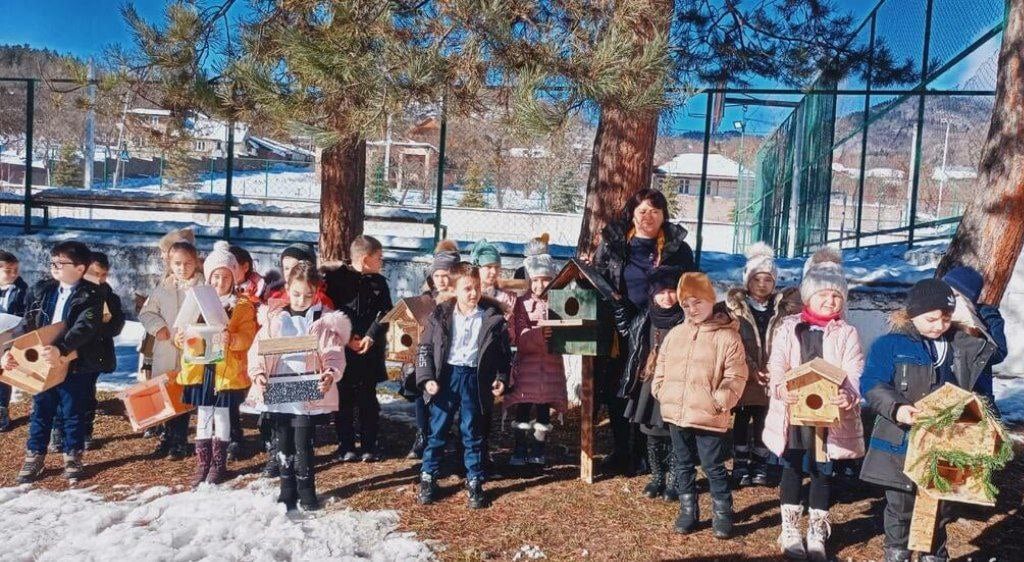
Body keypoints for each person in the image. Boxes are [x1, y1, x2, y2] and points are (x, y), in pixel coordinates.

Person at [860, 278, 998, 562]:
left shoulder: (962, 346)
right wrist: (896, 407)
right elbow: (872, 383)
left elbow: (990, 356)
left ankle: (933, 553)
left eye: (946, 318)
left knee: (942, 502)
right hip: (902, 440)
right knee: (901, 504)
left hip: (948, 441)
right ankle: (896, 552)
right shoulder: (891, 344)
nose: (939, 325)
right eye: (931, 318)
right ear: (912, 314)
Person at [763, 248, 865, 561]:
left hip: (829, 415)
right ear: (809, 296)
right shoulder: (790, 327)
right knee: (792, 465)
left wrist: (848, 395)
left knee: (823, 469)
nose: (830, 301)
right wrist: (780, 388)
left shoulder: (846, 332)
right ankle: (790, 527)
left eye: (836, 296)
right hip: (794, 410)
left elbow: (855, 368)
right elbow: (777, 361)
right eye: (823, 295)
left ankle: (818, 527)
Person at [594, 188, 696, 475]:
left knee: (650, 387)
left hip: (660, 327)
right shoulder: (614, 244)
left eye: (654, 211)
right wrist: (615, 312)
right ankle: (621, 449)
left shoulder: (678, 249)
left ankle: (646, 453)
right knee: (618, 387)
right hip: (621, 328)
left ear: (664, 215)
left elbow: (690, 285)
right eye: (642, 211)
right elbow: (600, 281)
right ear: (632, 214)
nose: (647, 217)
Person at [652, 272, 747, 538]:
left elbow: (736, 375)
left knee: (712, 465)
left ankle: (722, 513)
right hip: (677, 412)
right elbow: (661, 364)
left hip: (709, 414)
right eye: (686, 305)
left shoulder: (727, 337)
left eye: (698, 303)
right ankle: (688, 510)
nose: (692, 310)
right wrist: (661, 389)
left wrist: (721, 400)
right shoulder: (675, 334)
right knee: (681, 463)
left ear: (710, 300)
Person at [249, 262, 350, 510]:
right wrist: (258, 373)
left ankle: (307, 490)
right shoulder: (275, 320)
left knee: (303, 442)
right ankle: (286, 490)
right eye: (296, 294)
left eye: (308, 294)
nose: (302, 299)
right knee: (283, 441)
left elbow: (333, 352)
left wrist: (330, 372)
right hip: (280, 388)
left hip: (308, 389)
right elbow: (258, 351)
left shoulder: (323, 321)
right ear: (287, 289)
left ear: (316, 291)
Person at [3, 241, 103, 483]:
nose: (55, 265)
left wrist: (61, 348)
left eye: (62, 262)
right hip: (42, 363)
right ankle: (35, 454)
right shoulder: (42, 290)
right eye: (53, 261)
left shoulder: (91, 295)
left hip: (74, 365)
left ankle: (72, 455)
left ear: (79, 268)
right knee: (41, 409)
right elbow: (26, 324)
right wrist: (9, 350)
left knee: (73, 411)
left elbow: (85, 327)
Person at [416, 263, 512, 509]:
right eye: (467, 288)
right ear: (455, 290)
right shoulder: (440, 316)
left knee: (473, 432)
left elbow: (503, 356)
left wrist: (501, 378)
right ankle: (428, 476)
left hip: (474, 378)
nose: (473, 293)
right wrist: (427, 378)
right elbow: (425, 348)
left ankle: (475, 479)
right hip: (446, 377)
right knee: (437, 429)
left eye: (477, 288)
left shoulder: (491, 319)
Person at [176, 241, 257, 486]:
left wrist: (232, 339)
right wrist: (180, 339)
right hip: (202, 368)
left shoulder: (242, 306)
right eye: (215, 277)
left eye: (225, 277)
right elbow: (184, 331)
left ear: (233, 279)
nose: (219, 282)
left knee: (221, 416)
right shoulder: (196, 300)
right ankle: (202, 463)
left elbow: (248, 336)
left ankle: (219, 464)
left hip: (225, 370)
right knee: (203, 415)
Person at [723, 242, 801, 487]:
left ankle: (760, 464)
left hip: (772, 373)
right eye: (757, 279)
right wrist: (749, 367)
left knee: (764, 419)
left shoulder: (781, 309)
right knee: (742, 420)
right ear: (748, 281)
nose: (762, 285)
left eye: (768, 279)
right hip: (745, 373)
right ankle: (740, 465)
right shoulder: (736, 309)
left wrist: (776, 369)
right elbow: (733, 338)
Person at [617, 266, 685, 500]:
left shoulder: (685, 320)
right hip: (649, 382)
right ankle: (657, 477)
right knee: (652, 432)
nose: (667, 297)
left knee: (675, 433)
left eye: (671, 291)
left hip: (676, 385)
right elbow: (627, 332)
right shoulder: (644, 318)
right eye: (661, 292)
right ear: (651, 293)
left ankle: (676, 480)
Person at [323, 235, 392, 462]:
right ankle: (346, 445)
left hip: (368, 352)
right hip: (343, 350)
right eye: (379, 258)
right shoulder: (336, 280)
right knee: (343, 400)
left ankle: (369, 445)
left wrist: (371, 336)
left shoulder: (379, 283)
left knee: (368, 400)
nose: (382, 262)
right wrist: (347, 337)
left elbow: (385, 313)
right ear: (365, 259)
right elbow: (331, 311)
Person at [138, 240, 205, 460]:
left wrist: (193, 333)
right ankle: (166, 437)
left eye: (187, 263)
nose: (182, 268)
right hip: (165, 349)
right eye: (177, 263)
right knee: (166, 393)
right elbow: (147, 313)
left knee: (184, 395)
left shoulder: (202, 287)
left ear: (195, 262)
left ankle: (179, 440)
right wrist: (158, 328)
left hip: (190, 351)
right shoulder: (163, 288)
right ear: (169, 263)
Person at [505, 249, 566, 467]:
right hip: (527, 366)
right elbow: (519, 336)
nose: (540, 285)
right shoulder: (521, 304)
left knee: (543, 408)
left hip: (550, 366)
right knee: (523, 405)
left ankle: (539, 449)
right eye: (536, 280)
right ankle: (520, 448)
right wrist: (540, 335)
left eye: (545, 280)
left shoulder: (559, 301)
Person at [406, 239, 462, 460]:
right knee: (423, 394)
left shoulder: (460, 300)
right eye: (436, 275)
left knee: (450, 400)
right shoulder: (426, 300)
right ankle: (422, 434)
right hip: (427, 357)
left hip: (451, 358)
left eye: (445, 275)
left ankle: (450, 435)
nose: (440, 280)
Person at [941, 266, 1007, 412]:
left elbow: (999, 353)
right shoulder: (936, 315)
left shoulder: (988, 316)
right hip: (941, 394)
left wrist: (970, 328)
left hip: (978, 393)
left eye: (954, 295)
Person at [79, 252, 126, 450]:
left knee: (88, 392)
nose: (99, 279)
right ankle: (59, 429)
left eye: (103, 274)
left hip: (95, 352)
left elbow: (117, 325)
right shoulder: (74, 292)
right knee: (64, 394)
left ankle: (85, 431)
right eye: (94, 273)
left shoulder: (110, 297)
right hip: (72, 351)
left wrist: (97, 328)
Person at [0, 250, 28, 432]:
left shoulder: (22, 290)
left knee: (3, 373)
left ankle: (2, 408)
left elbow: (24, 315)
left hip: (7, 338)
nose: (13, 274)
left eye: (16, 270)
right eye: (8, 270)